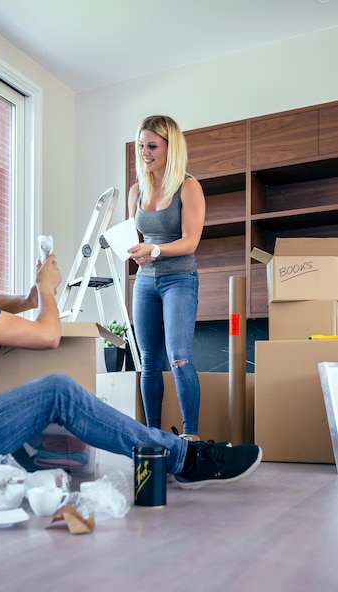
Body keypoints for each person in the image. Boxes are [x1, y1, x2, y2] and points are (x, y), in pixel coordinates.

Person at [0, 213, 262, 492]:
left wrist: (31, 297)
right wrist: (47, 290)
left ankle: (177, 454)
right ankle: (185, 460)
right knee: (57, 391)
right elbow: (48, 335)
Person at [128, 114, 205, 441]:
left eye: (152, 146)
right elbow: (137, 239)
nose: (145, 152)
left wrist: (156, 250)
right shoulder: (136, 191)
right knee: (149, 362)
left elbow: (190, 241)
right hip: (145, 281)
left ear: (171, 148)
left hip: (179, 279)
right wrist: (135, 251)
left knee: (179, 357)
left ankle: (190, 436)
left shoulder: (188, 186)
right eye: (142, 145)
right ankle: (152, 437)